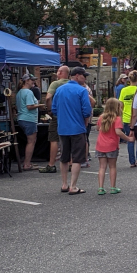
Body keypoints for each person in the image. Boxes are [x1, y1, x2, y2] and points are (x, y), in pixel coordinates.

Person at [52, 66, 93, 195]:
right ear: (76, 76)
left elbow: (54, 109)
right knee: (77, 158)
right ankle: (73, 186)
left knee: (64, 157)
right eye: (83, 76)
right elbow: (87, 111)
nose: (85, 78)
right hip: (77, 128)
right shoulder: (81, 91)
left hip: (63, 128)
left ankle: (64, 184)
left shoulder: (59, 90)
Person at [94, 98, 134, 194]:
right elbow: (118, 132)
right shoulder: (117, 119)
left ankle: (100, 188)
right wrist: (128, 138)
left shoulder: (101, 117)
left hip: (100, 145)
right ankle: (113, 187)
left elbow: (97, 128)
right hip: (111, 145)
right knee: (112, 166)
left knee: (102, 167)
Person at [37, 65, 70, 173]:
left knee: (54, 139)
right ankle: (70, 163)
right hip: (70, 116)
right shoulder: (71, 84)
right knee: (70, 139)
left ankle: (51, 165)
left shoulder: (56, 84)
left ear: (60, 73)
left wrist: (50, 109)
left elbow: (48, 97)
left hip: (57, 115)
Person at [16, 74, 46, 170]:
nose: (33, 82)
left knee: (29, 141)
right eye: (32, 80)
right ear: (27, 81)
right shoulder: (28, 92)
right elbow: (29, 106)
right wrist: (40, 105)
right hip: (29, 119)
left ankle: (26, 162)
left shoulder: (19, 92)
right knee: (31, 142)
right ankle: (27, 164)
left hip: (21, 118)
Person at [118, 70, 137, 166]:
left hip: (126, 117)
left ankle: (132, 161)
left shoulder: (124, 90)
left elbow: (121, 105)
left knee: (130, 139)